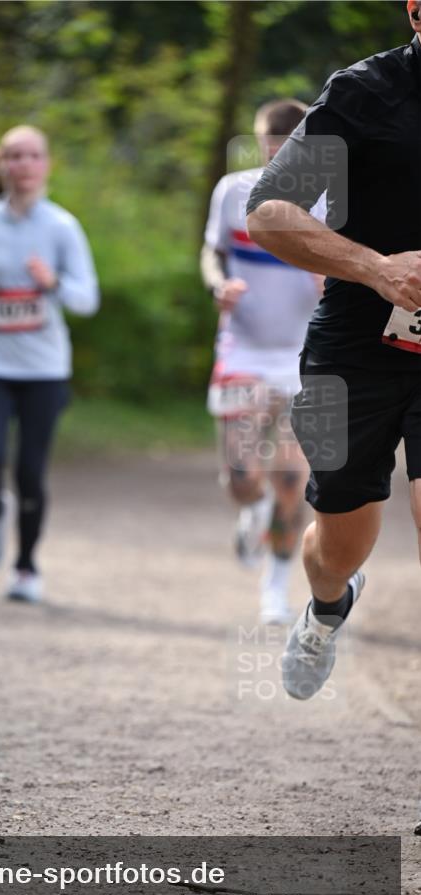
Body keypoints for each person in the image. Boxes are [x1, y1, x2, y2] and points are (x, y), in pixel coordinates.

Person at [246, 0, 421, 699]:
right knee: (337, 543)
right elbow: (270, 213)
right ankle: (325, 606)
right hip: (355, 344)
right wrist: (378, 269)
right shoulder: (362, 94)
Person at [0, 126, 99, 602]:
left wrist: (51, 283)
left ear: (46, 165)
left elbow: (87, 299)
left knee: (31, 471)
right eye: (14, 156)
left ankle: (27, 567)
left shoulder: (62, 227)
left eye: (33, 156)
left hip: (44, 370)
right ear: (3, 165)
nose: (24, 164)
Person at [201, 100, 325, 624]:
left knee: (293, 482)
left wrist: (330, 282)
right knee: (241, 475)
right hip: (243, 351)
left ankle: (276, 584)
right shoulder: (233, 191)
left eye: (286, 140)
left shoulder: (326, 203)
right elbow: (211, 253)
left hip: (305, 357)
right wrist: (217, 285)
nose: (275, 149)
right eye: (267, 139)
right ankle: (251, 508)